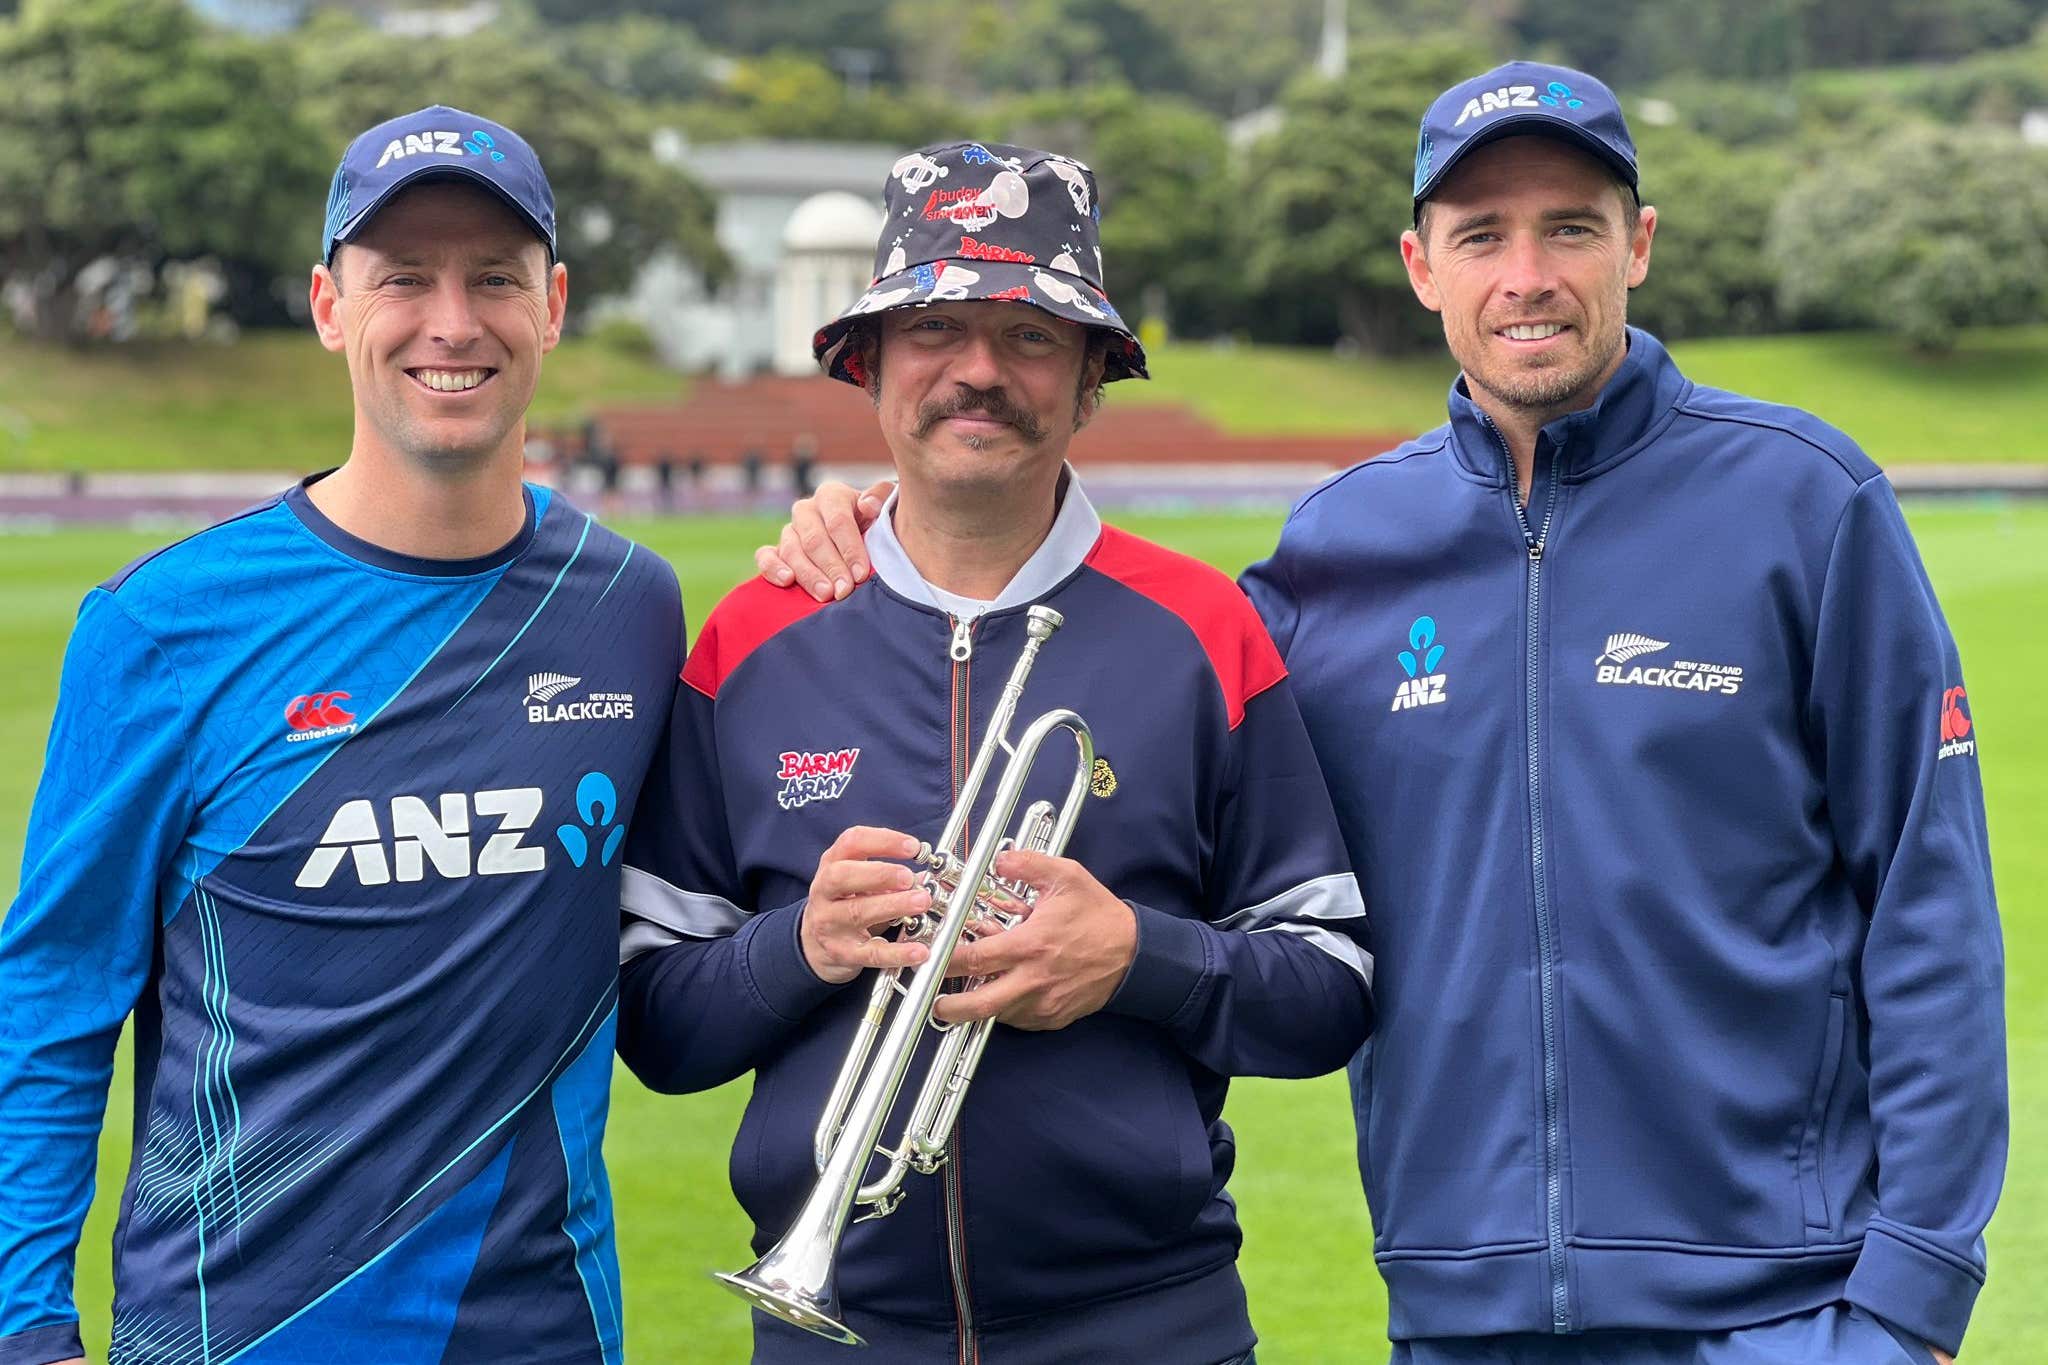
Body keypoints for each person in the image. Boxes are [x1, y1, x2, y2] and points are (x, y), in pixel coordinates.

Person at [761, 62, 2006, 1365]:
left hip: (1784, 1312)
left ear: (1638, 245)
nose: (1526, 274)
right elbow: (1118, 680)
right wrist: (890, 524)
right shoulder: (1331, 554)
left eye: (1569, 227)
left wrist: (1910, 1309)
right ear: (1422, 266)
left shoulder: (1806, 504)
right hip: (1460, 1320)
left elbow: (1928, 913)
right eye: (1481, 235)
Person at [615, 140, 1373, 1364]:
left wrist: (1137, 957)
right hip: (834, 1339)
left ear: (1088, 381)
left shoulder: (1204, 632)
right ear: (866, 364)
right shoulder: (752, 639)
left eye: (1029, 335)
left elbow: (1327, 988)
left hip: (1150, 1331)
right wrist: (797, 946)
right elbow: (656, 1025)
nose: (978, 371)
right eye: (935, 330)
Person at [0, 106, 682, 1365]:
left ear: (555, 302)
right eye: (401, 279)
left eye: (493, 279)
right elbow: (50, 998)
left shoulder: (626, 604)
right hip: (232, 1332)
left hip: (542, 1330)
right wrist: (26, 1326)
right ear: (327, 305)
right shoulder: (162, 626)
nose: (452, 322)